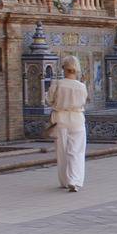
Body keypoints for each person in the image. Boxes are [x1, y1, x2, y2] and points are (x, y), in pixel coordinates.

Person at [45, 55, 87, 192]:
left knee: (62, 151)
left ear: (63, 68)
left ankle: (65, 181)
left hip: (60, 119)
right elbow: (84, 102)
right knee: (76, 152)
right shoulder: (81, 86)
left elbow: (48, 101)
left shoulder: (57, 84)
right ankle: (74, 180)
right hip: (77, 119)